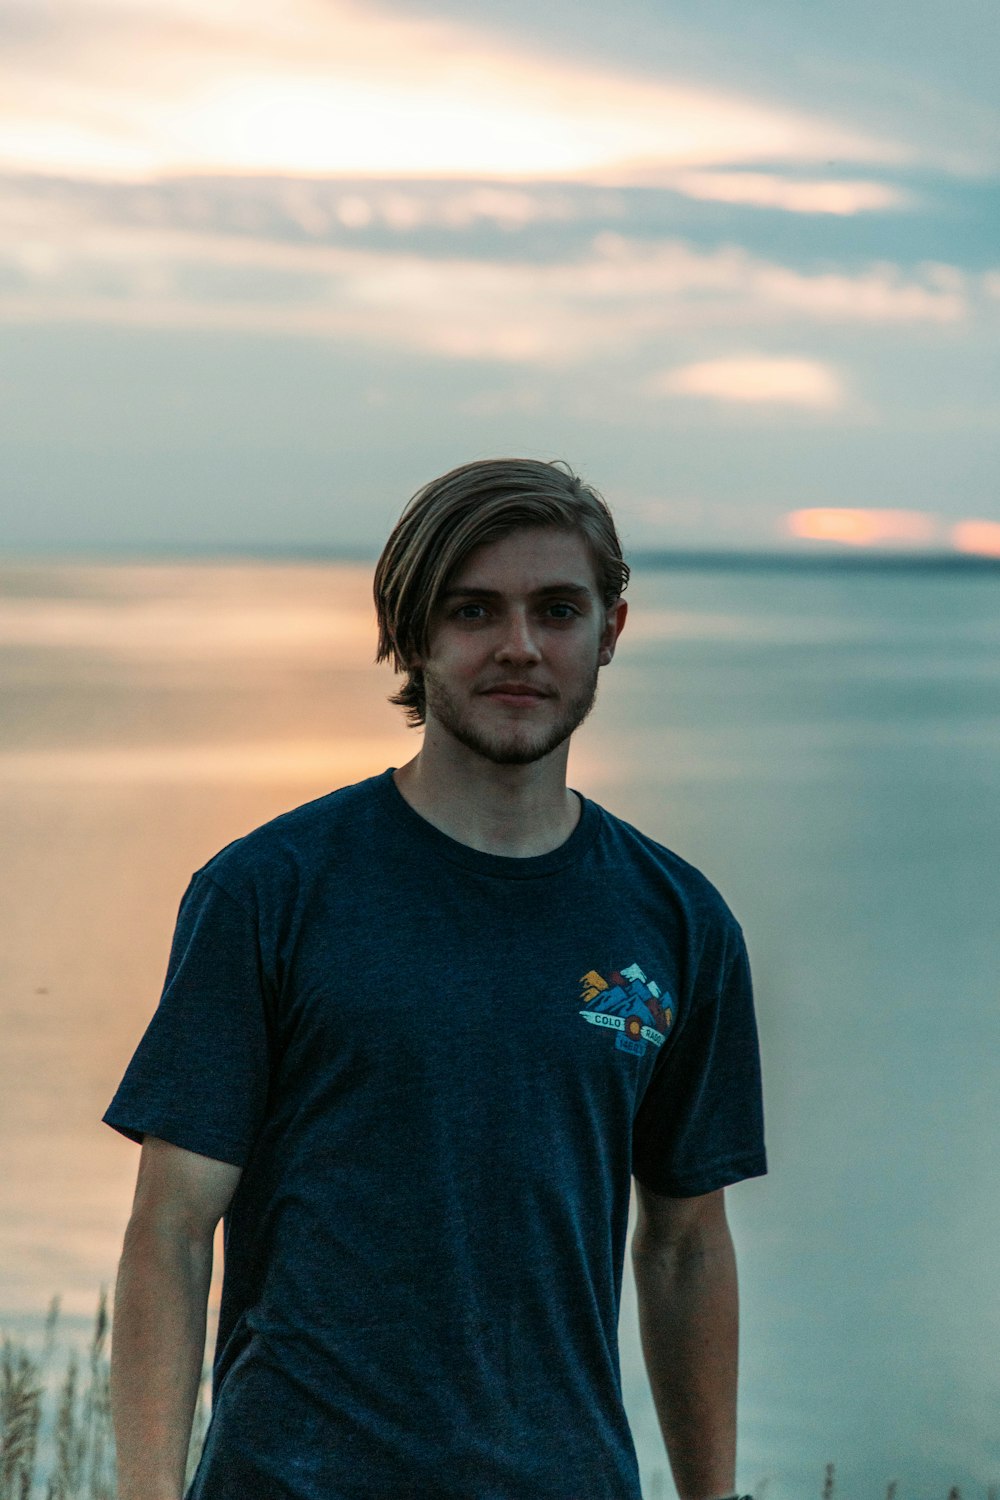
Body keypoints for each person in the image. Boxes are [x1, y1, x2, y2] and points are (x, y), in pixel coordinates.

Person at [104, 457, 765, 1500]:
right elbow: (172, 1232)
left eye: (557, 609)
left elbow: (684, 1247)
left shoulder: (678, 921)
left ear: (610, 631)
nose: (518, 646)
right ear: (412, 634)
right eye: (472, 610)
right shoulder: (269, 893)